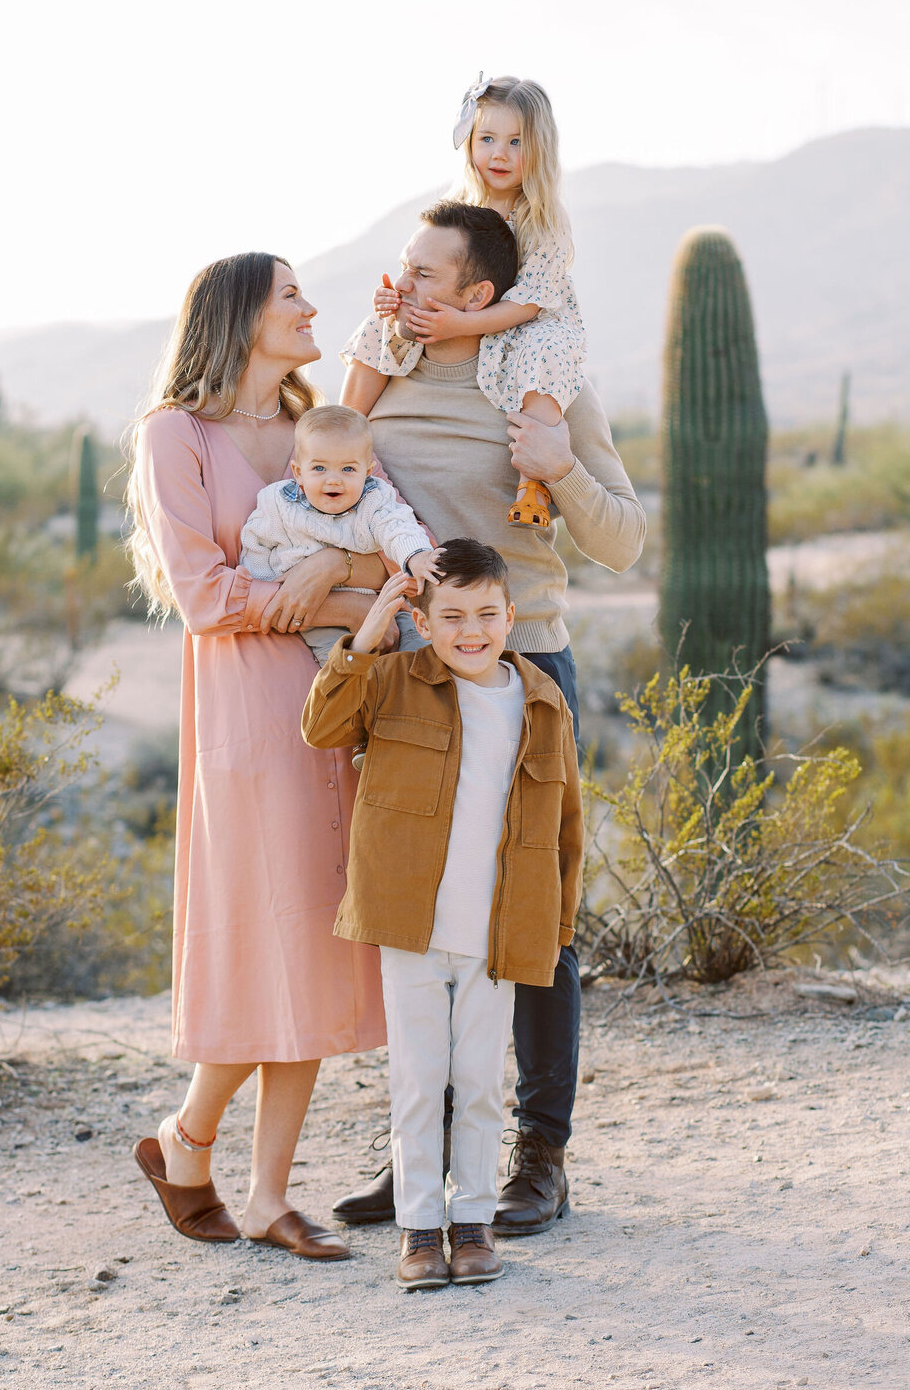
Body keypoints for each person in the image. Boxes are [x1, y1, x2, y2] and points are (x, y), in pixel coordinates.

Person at [328, 199, 646, 1237]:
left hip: (527, 661)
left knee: (532, 913)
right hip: (418, 673)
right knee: (420, 909)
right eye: (399, 268)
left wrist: (554, 465)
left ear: (480, 295)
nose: (400, 286)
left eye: (425, 274)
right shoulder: (383, 381)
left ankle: (540, 1156)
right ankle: (420, 1148)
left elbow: (625, 541)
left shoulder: (545, 386)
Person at [124, 252, 387, 1262]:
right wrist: (339, 591)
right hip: (245, 715)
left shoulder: (320, 432)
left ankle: (262, 1190)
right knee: (265, 935)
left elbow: (394, 546)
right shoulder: (173, 436)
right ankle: (191, 1145)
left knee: (314, 944)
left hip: (336, 709)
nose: (313, 307)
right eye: (292, 295)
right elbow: (204, 595)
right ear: (241, 316)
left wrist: (334, 565)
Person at [302, 541, 584, 1290]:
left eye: (487, 614)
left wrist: (555, 929)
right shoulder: (391, 682)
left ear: (510, 617)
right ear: (422, 622)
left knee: (483, 1082)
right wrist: (367, 634)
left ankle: (473, 1224)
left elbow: (566, 825)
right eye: (450, 615)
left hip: (498, 930)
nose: (471, 630)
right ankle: (420, 1229)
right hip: (411, 925)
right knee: (422, 1079)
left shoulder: (540, 701)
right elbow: (322, 725)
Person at [342, 74, 584, 530]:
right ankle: (340, 434)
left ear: (540, 149)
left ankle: (533, 477)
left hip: (524, 320)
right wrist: (394, 297)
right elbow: (424, 269)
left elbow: (528, 305)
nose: (499, 153)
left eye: (516, 142)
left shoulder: (544, 219)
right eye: (487, 138)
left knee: (546, 353)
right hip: (460, 310)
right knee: (378, 325)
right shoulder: (459, 205)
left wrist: (460, 325)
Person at [239, 403, 440, 667]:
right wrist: (271, 588)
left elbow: (398, 527)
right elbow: (256, 545)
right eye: (320, 469)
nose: (333, 480)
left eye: (348, 469)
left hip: (382, 602)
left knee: (421, 654)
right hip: (322, 615)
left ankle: (418, 697)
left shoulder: (374, 498)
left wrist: (416, 556)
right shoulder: (278, 504)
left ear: (367, 472)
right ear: (298, 472)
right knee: (344, 668)